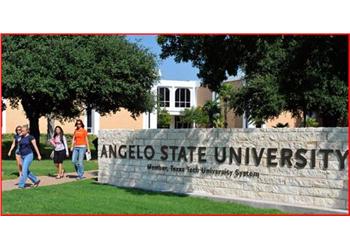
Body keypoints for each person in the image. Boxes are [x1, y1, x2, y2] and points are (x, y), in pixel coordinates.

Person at [18, 125, 42, 189]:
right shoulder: (21, 137)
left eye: (23, 131)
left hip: (29, 155)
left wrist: (39, 155)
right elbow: (20, 148)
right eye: (21, 131)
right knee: (26, 171)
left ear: (27, 131)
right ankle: (36, 180)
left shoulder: (31, 137)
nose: (21, 132)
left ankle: (21, 185)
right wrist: (20, 158)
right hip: (22, 156)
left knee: (24, 171)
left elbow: (35, 146)